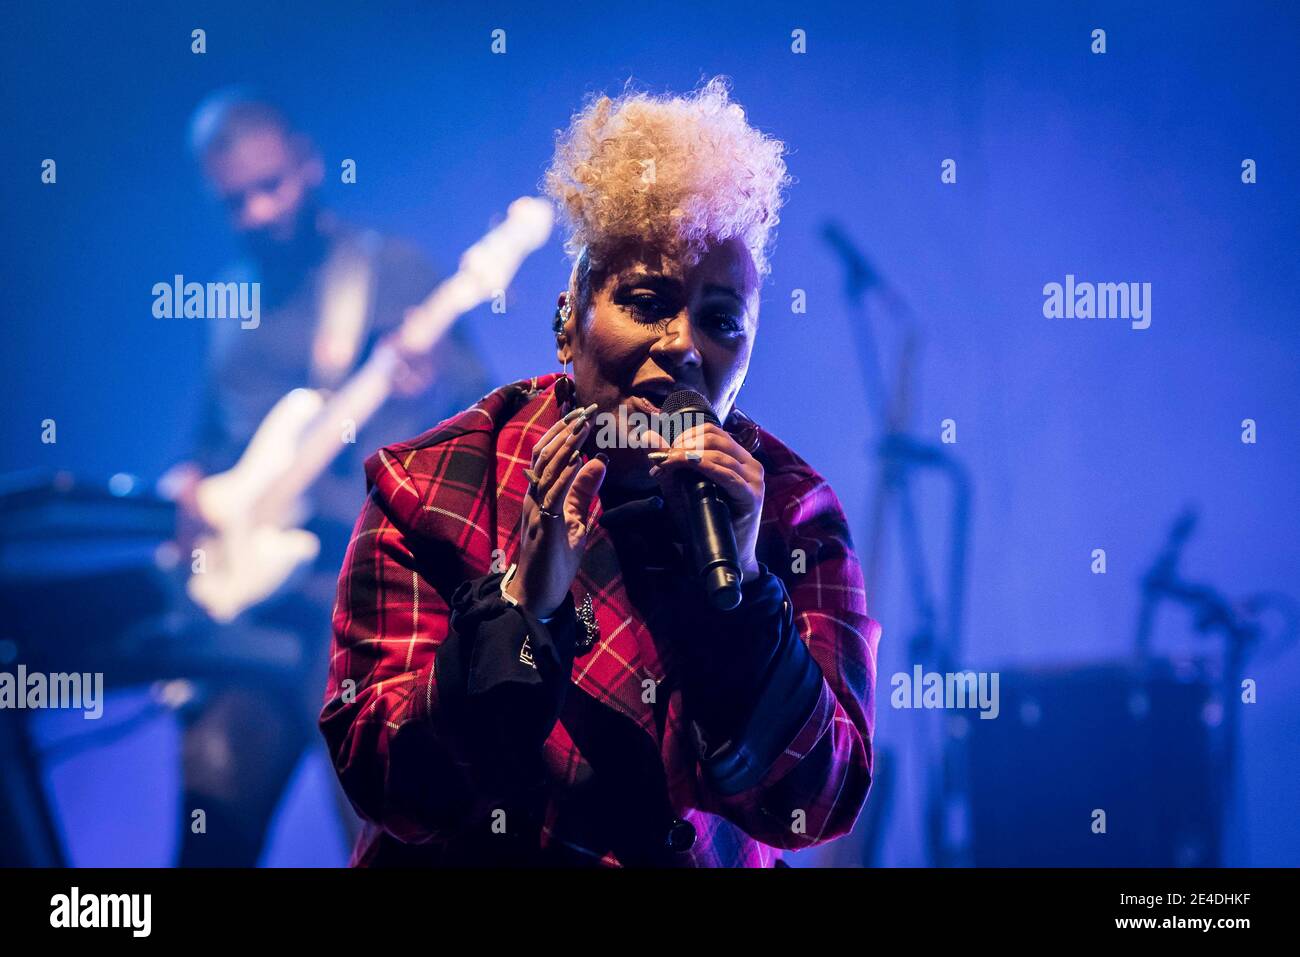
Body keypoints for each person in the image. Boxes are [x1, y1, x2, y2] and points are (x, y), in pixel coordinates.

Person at [321, 77, 880, 866]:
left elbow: (815, 807)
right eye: (649, 301)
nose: (686, 345)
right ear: (567, 321)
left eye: (721, 319)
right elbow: (386, 783)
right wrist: (522, 605)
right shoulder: (431, 486)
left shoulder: (792, 512)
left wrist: (747, 599)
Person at [161, 89, 491, 866]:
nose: (260, 209)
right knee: (211, 812)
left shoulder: (388, 271)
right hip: (258, 618)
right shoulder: (229, 310)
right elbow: (211, 444)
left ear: (308, 163)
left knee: (385, 833)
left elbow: (490, 418)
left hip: (368, 606)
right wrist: (187, 484)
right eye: (236, 199)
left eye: (271, 184)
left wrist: (438, 383)